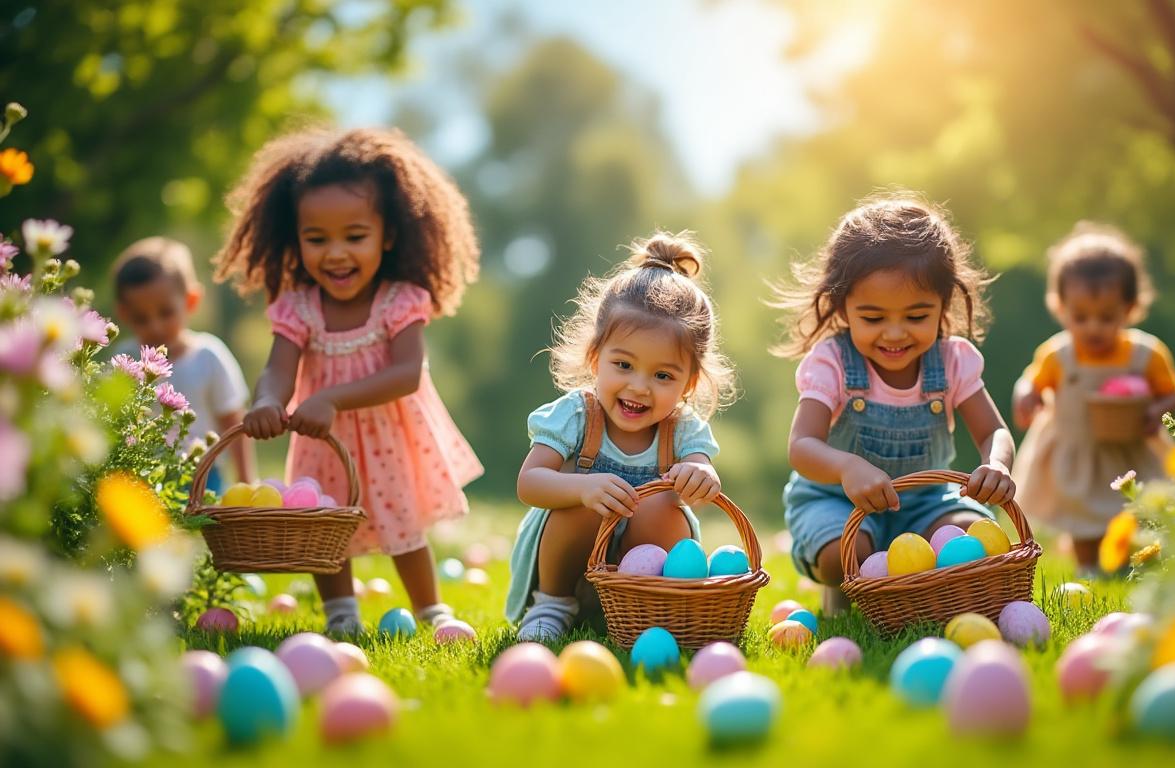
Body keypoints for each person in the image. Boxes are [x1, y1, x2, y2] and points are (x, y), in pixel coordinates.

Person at [218, 127, 483, 635]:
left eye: (354, 237)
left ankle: (431, 609)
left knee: (403, 524)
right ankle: (341, 614)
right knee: (325, 523)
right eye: (317, 239)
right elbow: (278, 367)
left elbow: (406, 374)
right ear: (295, 240)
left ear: (387, 236)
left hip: (389, 438)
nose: (335, 253)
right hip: (325, 441)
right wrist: (269, 398)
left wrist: (331, 397)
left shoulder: (399, 301)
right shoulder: (299, 307)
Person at [772, 192, 1016, 615]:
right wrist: (847, 467)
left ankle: (924, 597)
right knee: (844, 556)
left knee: (971, 540)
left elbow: (993, 430)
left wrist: (996, 463)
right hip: (836, 501)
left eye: (916, 316)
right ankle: (844, 590)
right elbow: (801, 446)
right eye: (873, 318)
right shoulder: (832, 362)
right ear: (842, 306)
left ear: (944, 303)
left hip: (926, 502)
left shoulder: (952, 361)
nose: (895, 333)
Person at [506, 232, 736, 641]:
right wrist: (581, 487)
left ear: (690, 382)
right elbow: (530, 482)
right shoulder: (577, 414)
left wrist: (701, 477)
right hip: (569, 568)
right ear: (596, 357)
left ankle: (647, 607)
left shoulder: (681, 428)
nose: (640, 387)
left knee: (663, 504)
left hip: (642, 574)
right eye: (624, 365)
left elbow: (702, 468)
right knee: (580, 503)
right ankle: (553, 607)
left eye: (663, 375)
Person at [1011, 223, 1175, 573]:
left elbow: (1171, 394)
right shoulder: (1058, 355)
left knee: (1140, 507)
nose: (1093, 328)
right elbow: (1032, 380)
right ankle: (1086, 564)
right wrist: (1026, 394)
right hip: (1077, 451)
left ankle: (1139, 561)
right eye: (1080, 317)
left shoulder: (1145, 354)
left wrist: (1157, 412)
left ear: (1130, 308)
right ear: (1060, 307)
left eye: (1106, 317)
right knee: (1080, 511)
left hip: (1130, 450)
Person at [112, 236, 254, 492]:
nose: (155, 326)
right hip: (140, 481)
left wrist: (245, 480)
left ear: (190, 301)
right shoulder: (124, 359)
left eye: (166, 312)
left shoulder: (209, 356)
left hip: (203, 477)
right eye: (141, 318)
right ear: (123, 313)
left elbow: (233, 422)